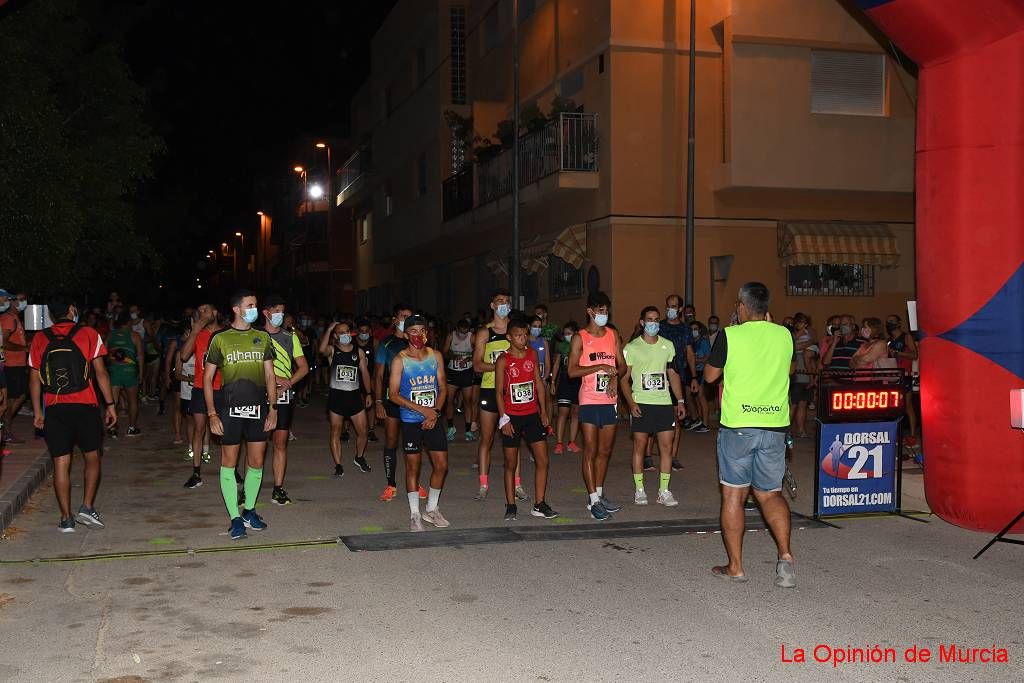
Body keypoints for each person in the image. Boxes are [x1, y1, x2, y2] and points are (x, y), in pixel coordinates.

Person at [703, 282, 796, 587]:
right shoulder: (785, 334)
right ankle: (785, 557)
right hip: (774, 426)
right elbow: (789, 370)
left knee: (734, 494)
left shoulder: (730, 335)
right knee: (770, 494)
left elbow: (710, 376)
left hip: (739, 426)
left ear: (742, 306)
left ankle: (736, 567)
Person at [28, 295, 117, 532]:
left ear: (50, 314)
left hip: (55, 408)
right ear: (71, 309)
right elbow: (101, 373)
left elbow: (35, 379)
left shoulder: (39, 338)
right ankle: (87, 507)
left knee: (60, 462)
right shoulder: (88, 333)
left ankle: (66, 519)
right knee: (92, 457)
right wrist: (110, 404)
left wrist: (38, 411)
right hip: (85, 406)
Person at [204, 290, 278, 541]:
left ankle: (249, 511)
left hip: (258, 409)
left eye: (255, 305)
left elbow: (270, 376)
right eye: (250, 305)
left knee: (256, 462)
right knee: (229, 462)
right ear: (237, 309)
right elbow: (207, 379)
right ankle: (235, 519)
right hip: (229, 410)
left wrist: (273, 408)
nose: (254, 309)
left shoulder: (263, 337)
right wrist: (212, 414)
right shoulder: (220, 338)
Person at [388, 315, 451, 532]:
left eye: (422, 330)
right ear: (405, 334)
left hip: (433, 418)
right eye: (413, 331)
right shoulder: (400, 359)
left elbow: (442, 387)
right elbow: (393, 395)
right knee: (413, 466)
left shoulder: (436, 356)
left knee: (442, 465)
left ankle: (431, 509)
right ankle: (415, 514)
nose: (418, 335)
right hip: (411, 420)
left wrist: (434, 412)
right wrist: (422, 410)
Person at [568, 290, 627, 520]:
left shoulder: (613, 335)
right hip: (589, 399)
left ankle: (600, 494)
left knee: (605, 450)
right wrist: (599, 367)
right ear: (590, 311)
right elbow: (572, 371)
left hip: (609, 400)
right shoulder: (579, 337)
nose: (603, 314)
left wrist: (613, 376)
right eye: (599, 311)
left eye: (606, 310)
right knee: (590, 450)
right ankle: (592, 500)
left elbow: (621, 365)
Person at [621, 307, 687, 506]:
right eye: (649, 319)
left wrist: (680, 400)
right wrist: (631, 403)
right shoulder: (631, 347)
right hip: (641, 403)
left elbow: (672, 374)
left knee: (666, 447)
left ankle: (664, 491)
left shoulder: (668, 346)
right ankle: (639, 489)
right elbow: (624, 379)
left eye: (657, 319)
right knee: (640, 446)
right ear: (642, 322)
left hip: (664, 403)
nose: (653, 323)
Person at [495, 318, 559, 521]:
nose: (523, 339)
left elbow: (538, 383)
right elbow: (498, 392)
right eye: (518, 335)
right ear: (509, 337)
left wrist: (544, 410)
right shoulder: (503, 360)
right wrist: (504, 419)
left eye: (525, 334)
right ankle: (511, 505)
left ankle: (539, 503)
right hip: (512, 416)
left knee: (543, 460)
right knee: (510, 463)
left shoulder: (532, 354)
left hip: (532, 414)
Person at [374, 304, 425, 502]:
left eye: (410, 317)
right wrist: (378, 401)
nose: (407, 320)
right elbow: (378, 375)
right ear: (395, 320)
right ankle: (391, 484)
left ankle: (415, 482)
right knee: (392, 441)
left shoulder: (419, 343)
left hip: (415, 400)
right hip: (392, 400)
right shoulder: (386, 343)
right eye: (403, 317)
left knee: (414, 444)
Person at [262, 296, 309, 506]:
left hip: (284, 397)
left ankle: (278, 488)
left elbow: (304, 367)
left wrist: (287, 383)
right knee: (257, 444)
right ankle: (248, 489)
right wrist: (275, 379)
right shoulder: (255, 337)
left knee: (280, 443)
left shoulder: (290, 337)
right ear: (266, 312)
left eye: (282, 311)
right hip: (260, 396)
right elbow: (252, 367)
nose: (280, 315)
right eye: (277, 310)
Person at [472, 289, 512, 500]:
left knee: (513, 439)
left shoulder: (516, 330)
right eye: (500, 301)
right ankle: (483, 484)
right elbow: (477, 365)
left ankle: (517, 484)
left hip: (511, 392)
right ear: (493, 305)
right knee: (487, 438)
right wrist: (500, 367)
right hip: (489, 389)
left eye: (507, 301)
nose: (504, 304)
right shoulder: (485, 333)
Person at [321, 319, 373, 476]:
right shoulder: (332, 351)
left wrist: (369, 393)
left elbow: (365, 373)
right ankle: (338, 464)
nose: (345, 335)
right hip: (337, 398)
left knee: (363, 432)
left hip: (355, 398)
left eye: (347, 332)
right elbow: (322, 350)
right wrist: (329, 330)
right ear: (336, 336)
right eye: (341, 333)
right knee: (336, 431)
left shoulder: (358, 352)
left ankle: (359, 457)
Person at [180, 304, 220, 489]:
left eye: (206, 310)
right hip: (200, 388)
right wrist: (194, 332)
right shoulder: (198, 334)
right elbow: (184, 355)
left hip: (223, 388)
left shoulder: (227, 333)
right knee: (199, 429)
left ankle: (231, 469)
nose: (202, 313)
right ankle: (196, 472)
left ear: (215, 313)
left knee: (229, 431)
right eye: (200, 311)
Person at [658, 294, 695, 467]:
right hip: (658, 375)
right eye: (668, 306)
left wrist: (693, 376)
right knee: (655, 416)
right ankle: (648, 456)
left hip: (678, 376)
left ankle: (673, 456)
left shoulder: (685, 329)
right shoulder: (659, 326)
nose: (670, 309)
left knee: (676, 418)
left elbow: (689, 353)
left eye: (673, 306)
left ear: (680, 309)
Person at [105, 312, 143, 437]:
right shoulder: (135, 335)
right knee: (133, 401)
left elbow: (103, 353)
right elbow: (140, 355)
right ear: (128, 322)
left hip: (114, 371)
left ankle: (112, 428)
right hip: (130, 372)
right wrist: (141, 373)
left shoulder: (111, 335)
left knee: (112, 402)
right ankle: (132, 428)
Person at [1, 289, 29, 445]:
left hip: (17, 364)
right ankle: (6, 431)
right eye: (19, 299)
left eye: (24, 299)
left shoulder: (14, 318)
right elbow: (3, 342)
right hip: (11, 365)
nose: (22, 302)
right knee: (11, 400)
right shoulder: (8, 319)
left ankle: (6, 430)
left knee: (19, 396)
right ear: (11, 302)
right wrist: (23, 349)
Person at [442, 317, 476, 442]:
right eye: (461, 332)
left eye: (465, 332)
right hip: (453, 372)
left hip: (467, 372)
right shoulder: (451, 336)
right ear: (456, 330)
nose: (463, 335)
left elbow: (478, 353)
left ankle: (468, 431)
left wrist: (467, 360)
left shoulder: (472, 337)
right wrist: (453, 356)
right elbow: (444, 352)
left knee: (468, 401)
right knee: (449, 400)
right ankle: (451, 427)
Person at [886, 315, 919, 440]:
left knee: (907, 405)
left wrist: (898, 353)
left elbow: (914, 355)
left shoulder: (906, 337)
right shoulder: (888, 340)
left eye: (892, 322)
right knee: (894, 406)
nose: (890, 324)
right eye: (888, 322)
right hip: (892, 376)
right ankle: (895, 434)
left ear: (899, 323)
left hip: (905, 374)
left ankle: (912, 435)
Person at [551, 321, 581, 454]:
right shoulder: (561, 346)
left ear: (575, 333)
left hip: (579, 382)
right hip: (564, 382)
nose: (567, 336)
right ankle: (559, 443)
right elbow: (557, 364)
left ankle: (572, 442)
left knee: (576, 413)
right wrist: (552, 381)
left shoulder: (582, 346)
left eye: (569, 333)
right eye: (565, 334)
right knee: (563, 413)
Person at [354, 318, 379, 443]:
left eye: (366, 331)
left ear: (370, 331)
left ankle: (371, 430)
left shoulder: (375, 342)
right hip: (354, 378)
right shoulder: (352, 343)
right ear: (357, 331)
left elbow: (378, 362)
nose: (364, 333)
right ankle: (346, 430)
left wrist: (375, 377)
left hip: (370, 377)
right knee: (352, 403)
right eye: (361, 331)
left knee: (371, 403)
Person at [689, 320, 712, 433]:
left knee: (701, 396)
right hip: (695, 372)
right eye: (691, 329)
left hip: (702, 371)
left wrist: (694, 360)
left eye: (695, 329)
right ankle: (700, 421)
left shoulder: (703, 342)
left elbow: (708, 358)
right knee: (697, 397)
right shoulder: (692, 343)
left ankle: (706, 423)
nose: (694, 331)